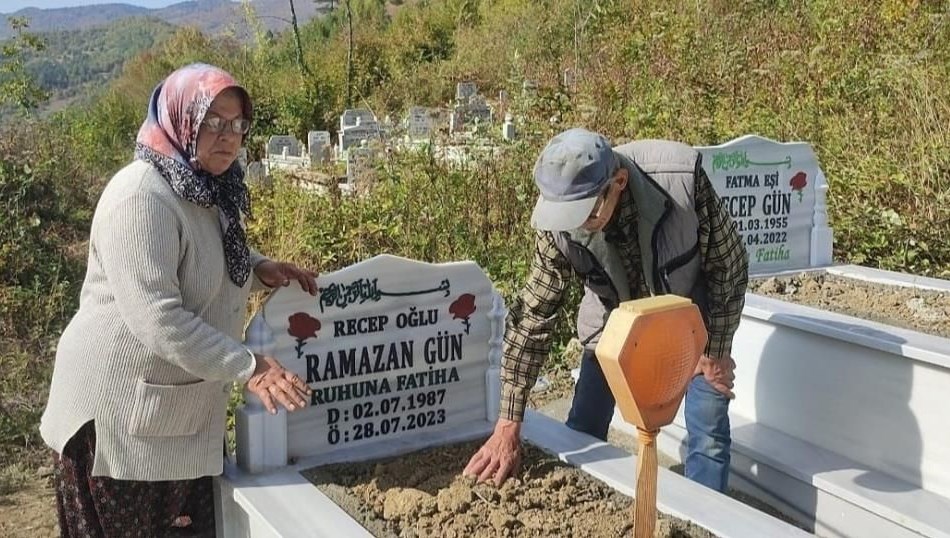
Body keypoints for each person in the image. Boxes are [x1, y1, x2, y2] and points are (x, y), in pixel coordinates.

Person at [40, 63, 317, 537]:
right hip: (119, 421)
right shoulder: (141, 197)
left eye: (237, 125)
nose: (228, 137)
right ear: (181, 118)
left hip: (171, 413)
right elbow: (158, 317)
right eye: (213, 122)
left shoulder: (203, 186)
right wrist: (252, 366)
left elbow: (202, 256)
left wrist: (257, 268)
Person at [464, 128, 748, 493]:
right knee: (585, 420)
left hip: (688, 317)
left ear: (619, 182)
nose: (577, 223)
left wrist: (715, 350)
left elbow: (729, 265)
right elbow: (534, 314)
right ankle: (578, 500)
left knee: (707, 426)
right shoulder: (559, 220)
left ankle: (707, 519)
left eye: (586, 212)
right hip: (612, 318)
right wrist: (508, 422)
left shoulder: (682, 181)